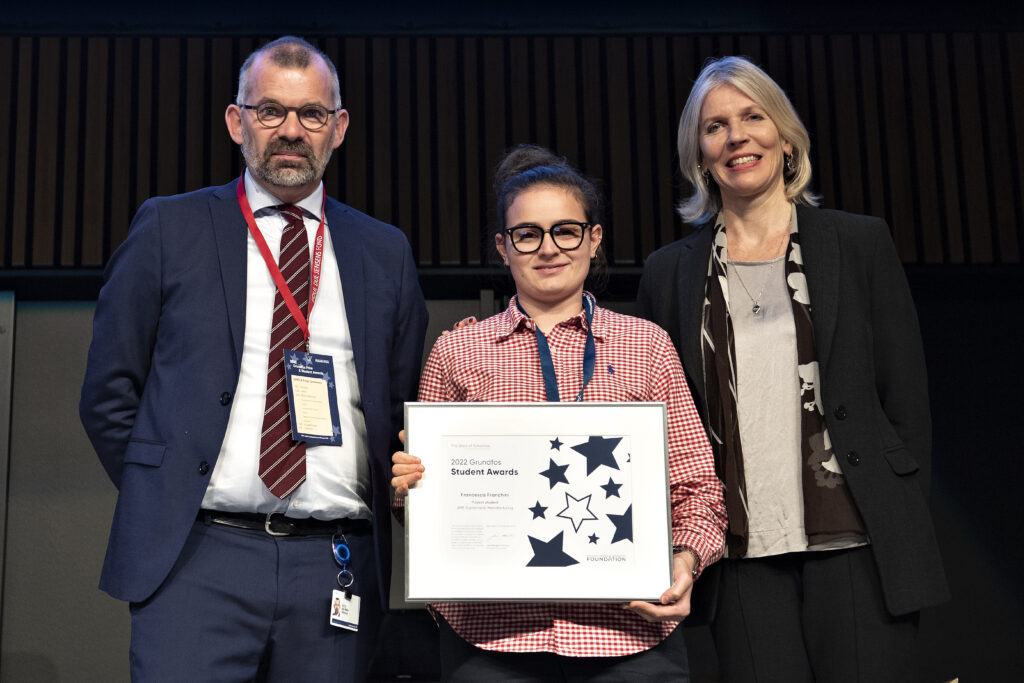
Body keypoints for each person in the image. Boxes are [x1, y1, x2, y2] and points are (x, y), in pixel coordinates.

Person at [79, 36, 428, 681]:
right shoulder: (168, 228)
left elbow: (403, 402)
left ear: (339, 128)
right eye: (270, 111)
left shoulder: (385, 252)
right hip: (196, 557)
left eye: (312, 114)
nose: (290, 131)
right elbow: (108, 393)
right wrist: (165, 491)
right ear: (236, 121)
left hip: (337, 562)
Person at [636, 56, 950, 682]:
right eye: (715, 126)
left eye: (753, 116)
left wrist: (899, 515)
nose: (736, 136)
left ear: (785, 135)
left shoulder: (859, 243)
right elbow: (661, 419)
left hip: (860, 542)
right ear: (699, 154)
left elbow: (906, 401)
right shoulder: (667, 272)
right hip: (739, 552)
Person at [392, 145, 727, 682]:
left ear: (594, 239)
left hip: (630, 638)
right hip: (493, 643)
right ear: (504, 248)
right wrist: (410, 489)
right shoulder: (458, 352)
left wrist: (684, 565)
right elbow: (420, 512)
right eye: (527, 234)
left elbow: (697, 488)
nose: (548, 248)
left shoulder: (647, 347)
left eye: (566, 230)